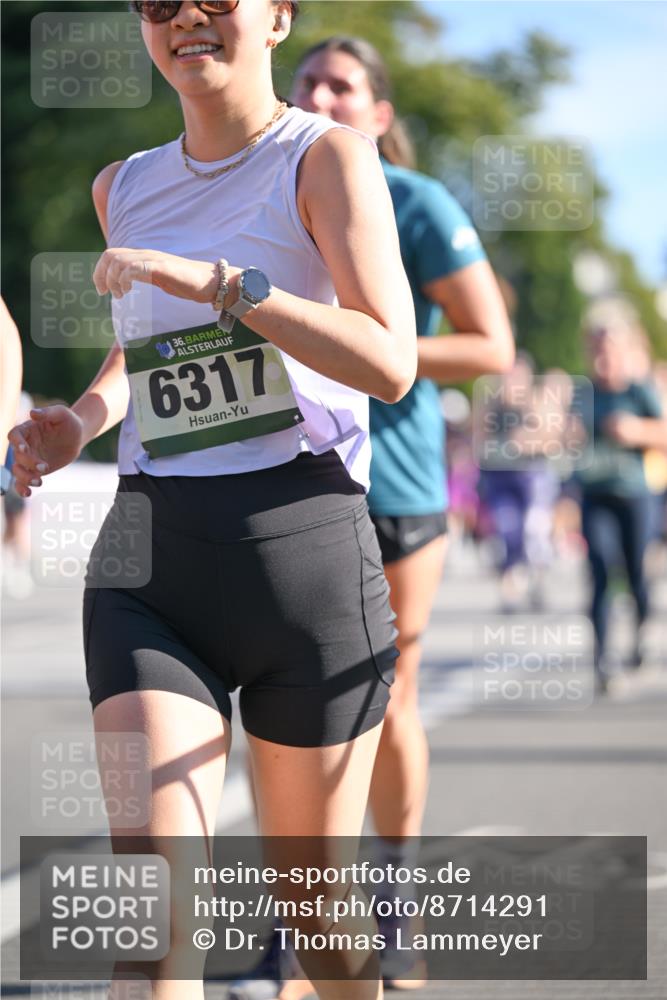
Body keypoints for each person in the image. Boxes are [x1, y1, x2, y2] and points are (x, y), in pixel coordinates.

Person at [9, 4, 418, 1000]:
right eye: (159, 2)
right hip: (153, 559)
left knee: (319, 924)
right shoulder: (125, 184)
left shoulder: (325, 157)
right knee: (151, 929)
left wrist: (227, 286)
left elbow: (389, 360)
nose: (187, 18)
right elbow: (143, 349)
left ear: (276, 17)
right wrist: (84, 420)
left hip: (302, 555)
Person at [290, 35, 514, 989]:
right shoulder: (263, 190)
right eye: (308, 81)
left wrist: (370, 349)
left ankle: (393, 907)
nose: (322, 94)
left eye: (343, 85)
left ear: (379, 114)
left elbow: (491, 343)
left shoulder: (414, 203)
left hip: (397, 482)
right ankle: (305, 923)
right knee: (295, 704)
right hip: (288, 475)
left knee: (386, 697)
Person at [577, 318, 667, 689]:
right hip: (595, 494)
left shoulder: (638, 391)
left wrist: (636, 431)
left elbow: (663, 432)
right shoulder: (581, 392)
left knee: (634, 574)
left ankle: (642, 628)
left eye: (609, 348)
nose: (602, 356)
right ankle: (603, 660)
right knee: (599, 567)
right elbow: (561, 436)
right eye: (597, 348)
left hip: (634, 495)